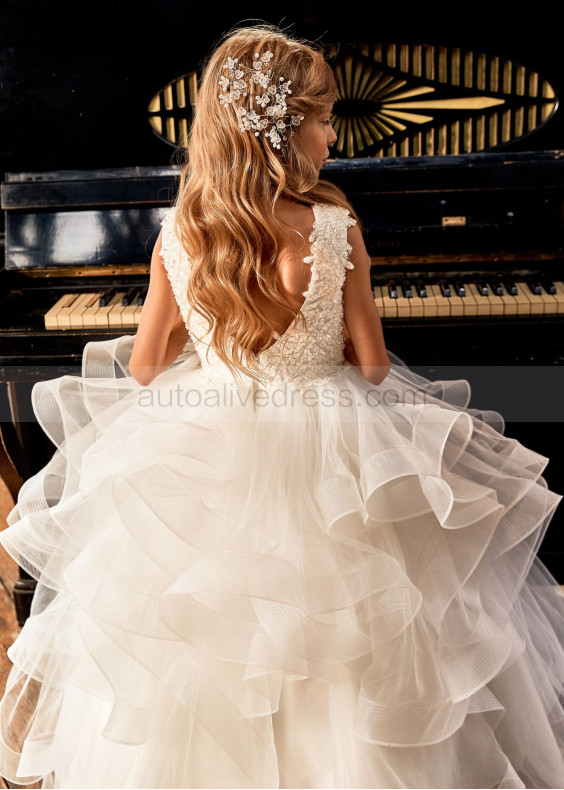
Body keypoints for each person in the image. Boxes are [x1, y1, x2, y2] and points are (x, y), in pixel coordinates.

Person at [0, 21, 563, 789]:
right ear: (284, 132)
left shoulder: (182, 233)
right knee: (359, 632)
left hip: (209, 432)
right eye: (327, 120)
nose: (337, 137)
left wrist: (220, 342)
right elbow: (369, 367)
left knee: (210, 633)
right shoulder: (334, 227)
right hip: (334, 447)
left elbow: (140, 368)